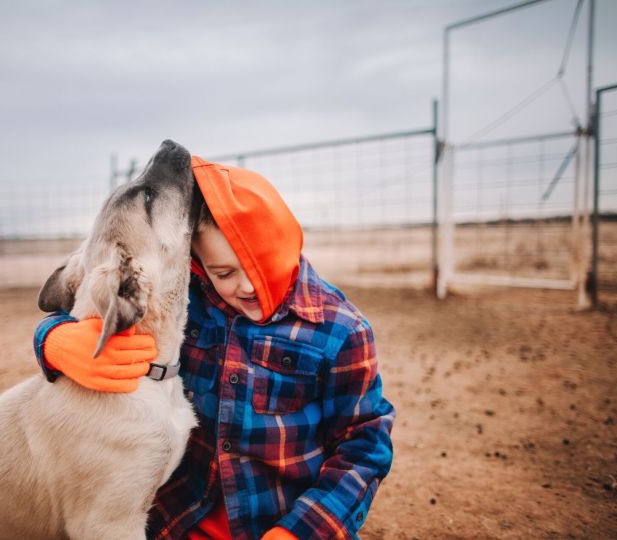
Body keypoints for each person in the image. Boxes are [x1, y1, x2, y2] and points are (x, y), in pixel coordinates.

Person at [33, 156, 395, 539]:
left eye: (261, 265)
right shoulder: (187, 303)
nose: (247, 286)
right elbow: (89, 296)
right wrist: (53, 340)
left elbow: (363, 445)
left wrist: (301, 531)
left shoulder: (342, 331)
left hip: (279, 524)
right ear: (199, 267)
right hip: (175, 520)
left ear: (288, 241)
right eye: (224, 273)